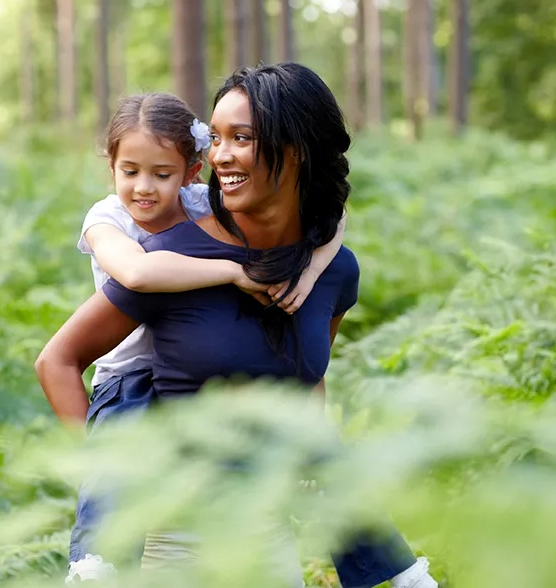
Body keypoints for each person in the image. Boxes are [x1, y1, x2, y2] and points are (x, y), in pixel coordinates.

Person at [37, 63, 438, 588]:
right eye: (219, 137)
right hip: (175, 545)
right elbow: (58, 360)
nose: (223, 156)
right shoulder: (166, 257)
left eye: (241, 138)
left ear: (295, 150)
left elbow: (306, 382)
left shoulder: (334, 270)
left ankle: (398, 573)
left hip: (269, 543)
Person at [50, 91, 347, 583]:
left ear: (191, 172)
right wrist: (230, 273)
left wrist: (313, 269)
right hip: (127, 375)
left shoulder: (199, 205)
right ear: (112, 168)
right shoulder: (108, 220)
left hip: (188, 383)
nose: (144, 188)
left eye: (161, 174)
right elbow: (139, 274)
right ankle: (92, 565)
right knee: (113, 480)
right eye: (129, 171)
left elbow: (330, 218)